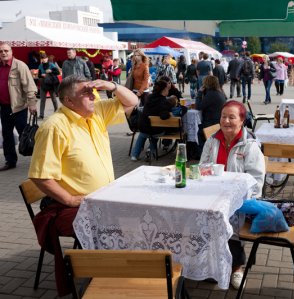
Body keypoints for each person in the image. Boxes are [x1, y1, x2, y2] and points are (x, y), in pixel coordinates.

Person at [28, 75, 138, 296]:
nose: (93, 95)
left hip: (101, 199)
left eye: (93, 91)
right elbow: (40, 177)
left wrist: (112, 85)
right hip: (70, 207)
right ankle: (110, 279)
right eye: (86, 93)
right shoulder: (54, 127)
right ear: (68, 101)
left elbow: (132, 102)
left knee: (140, 212)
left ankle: (124, 272)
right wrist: (69, 199)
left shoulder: (95, 113)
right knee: (125, 224)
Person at [199, 100, 265, 290]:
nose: (226, 121)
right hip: (212, 195)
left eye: (232, 117)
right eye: (223, 116)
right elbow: (202, 166)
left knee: (232, 219)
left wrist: (244, 199)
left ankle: (237, 268)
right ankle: (214, 265)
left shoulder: (250, 146)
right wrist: (205, 173)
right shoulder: (212, 141)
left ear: (242, 120)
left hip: (240, 200)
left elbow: (257, 179)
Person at [0, 43, 38, 171]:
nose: (3, 53)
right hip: (4, 108)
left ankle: (39, 159)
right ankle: (10, 161)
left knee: (25, 135)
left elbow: (30, 87)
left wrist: (32, 103)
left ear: (11, 51)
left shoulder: (20, 66)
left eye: (6, 51)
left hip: (19, 108)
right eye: (1, 51)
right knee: (7, 135)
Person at [132, 80, 177, 160]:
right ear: (164, 90)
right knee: (156, 133)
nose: (168, 90)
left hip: (143, 126)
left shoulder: (149, 97)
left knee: (142, 135)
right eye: (167, 89)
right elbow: (163, 116)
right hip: (155, 130)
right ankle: (150, 150)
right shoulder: (164, 101)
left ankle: (134, 155)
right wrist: (169, 114)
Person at [196, 75, 227, 148]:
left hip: (212, 123)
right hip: (218, 120)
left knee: (196, 131)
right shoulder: (219, 92)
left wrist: (199, 93)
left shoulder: (211, 94)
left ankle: (202, 153)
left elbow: (199, 106)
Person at [37, 53, 59, 119]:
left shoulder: (51, 65)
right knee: (42, 100)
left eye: (44, 58)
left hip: (51, 84)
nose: (43, 60)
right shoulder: (40, 66)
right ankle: (41, 115)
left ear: (47, 58)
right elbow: (39, 75)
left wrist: (51, 71)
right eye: (42, 59)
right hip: (43, 84)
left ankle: (57, 112)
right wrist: (42, 75)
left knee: (54, 99)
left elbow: (57, 72)